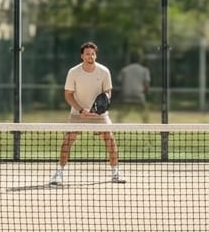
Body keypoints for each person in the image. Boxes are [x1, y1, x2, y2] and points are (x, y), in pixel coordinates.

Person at [50, 41, 125, 185]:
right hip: (78, 114)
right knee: (67, 141)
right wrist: (80, 110)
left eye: (93, 54)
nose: (91, 56)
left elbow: (107, 92)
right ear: (82, 56)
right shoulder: (73, 72)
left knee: (110, 140)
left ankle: (116, 172)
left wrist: (100, 109)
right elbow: (68, 94)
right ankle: (58, 174)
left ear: (95, 55)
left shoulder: (104, 71)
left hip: (99, 115)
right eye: (87, 54)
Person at [117, 53, 152, 123]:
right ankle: (147, 126)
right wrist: (145, 93)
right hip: (139, 94)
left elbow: (120, 81)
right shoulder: (144, 70)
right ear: (140, 60)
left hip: (126, 95)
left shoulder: (124, 70)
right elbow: (147, 84)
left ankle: (117, 124)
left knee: (122, 113)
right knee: (144, 113)